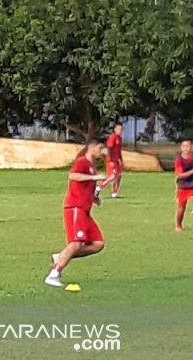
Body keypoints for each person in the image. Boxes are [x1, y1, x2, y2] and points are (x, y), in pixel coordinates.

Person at [45, 140, 108, 288]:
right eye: (100, 148)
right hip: (75, 208)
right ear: (91, 148)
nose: (102, 151)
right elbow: (73, 176)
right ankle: (54, 274)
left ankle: (60, 257)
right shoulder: (82, 162)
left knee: (98, 244)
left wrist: (94, 198)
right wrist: (94, 178)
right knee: (76, 243)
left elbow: (85, 188)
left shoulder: (92, 166)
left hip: (85, 211)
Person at [103, 123, 124, 199]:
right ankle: (98, 188)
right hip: (111, 161)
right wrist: (110, 160)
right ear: (115, 130)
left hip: (117, 160)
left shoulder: (120, 138)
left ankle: (115, 193)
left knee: (119, 176)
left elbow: (119, 151)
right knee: (112, 177)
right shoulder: (112, 137)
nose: (120, 131)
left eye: (121, 129)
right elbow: (109, 149)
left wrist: (121, 160)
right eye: (118, 129)